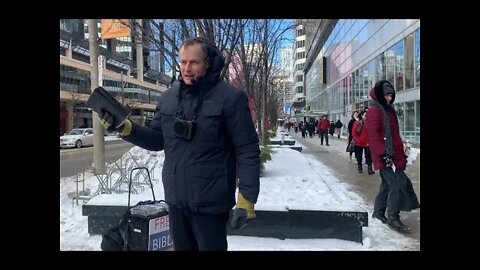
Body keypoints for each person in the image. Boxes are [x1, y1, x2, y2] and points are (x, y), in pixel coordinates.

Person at [98, 37, 260, 250]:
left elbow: (247, 150)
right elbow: (157, 139)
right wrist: (125, 128)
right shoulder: (168, 98)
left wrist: (246, 199)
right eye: (183, 62)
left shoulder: (230, 98)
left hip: (211, 205)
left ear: (208, 63)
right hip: (176, 203)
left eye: (193, 62)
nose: (187, 68)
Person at [366, 80, 420, 232]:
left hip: (394, 154)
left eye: (391, 95)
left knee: (386, 186)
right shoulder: (375, 111)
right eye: (386, 95)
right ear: (379, 95)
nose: (389, 98)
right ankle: (393, 217)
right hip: (384, 155)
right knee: (396, 185)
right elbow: (374, 136)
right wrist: (383, 155)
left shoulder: (389, 110)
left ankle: (378, 213)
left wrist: (401, 146)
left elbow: (394, 133)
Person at [351, 110, 374, 175]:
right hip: (359, 143)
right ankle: (360, 167)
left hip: (367, 143)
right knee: (359, 156)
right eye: (365, 115)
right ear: (361, 116)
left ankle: (370, 169)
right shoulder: (357, 123)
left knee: (369, 156)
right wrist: (358, 140)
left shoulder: (370, 123)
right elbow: (353, 133)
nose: (367, 117)